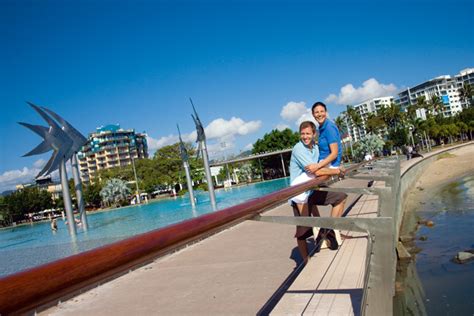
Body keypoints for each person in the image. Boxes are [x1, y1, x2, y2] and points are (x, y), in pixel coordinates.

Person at [289, 121, 347, 264]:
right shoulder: (298, 148)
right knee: (303, 230)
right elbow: (316, 170)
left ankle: (327, 231)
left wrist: (333, 169)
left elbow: (322, 166)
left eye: (308, 133)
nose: (305, 136)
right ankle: (305, 261)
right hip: (299, 193)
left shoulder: (315, 148)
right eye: (302, 134)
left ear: (314, 134)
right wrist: (336, 171)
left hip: (312, 190)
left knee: (340, 198)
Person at [304, 102, 347, 244]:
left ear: (326, 112)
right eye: (316, 112)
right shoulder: (322, 128)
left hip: (329, 163)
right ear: (313, 114)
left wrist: (318, 166)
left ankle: (328, 232)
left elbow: (334, 153)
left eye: (321, 111)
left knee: (310, 175)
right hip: (326, 164)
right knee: (341, 198)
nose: (319, 114)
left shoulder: (329, 127)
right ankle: (331, 231)